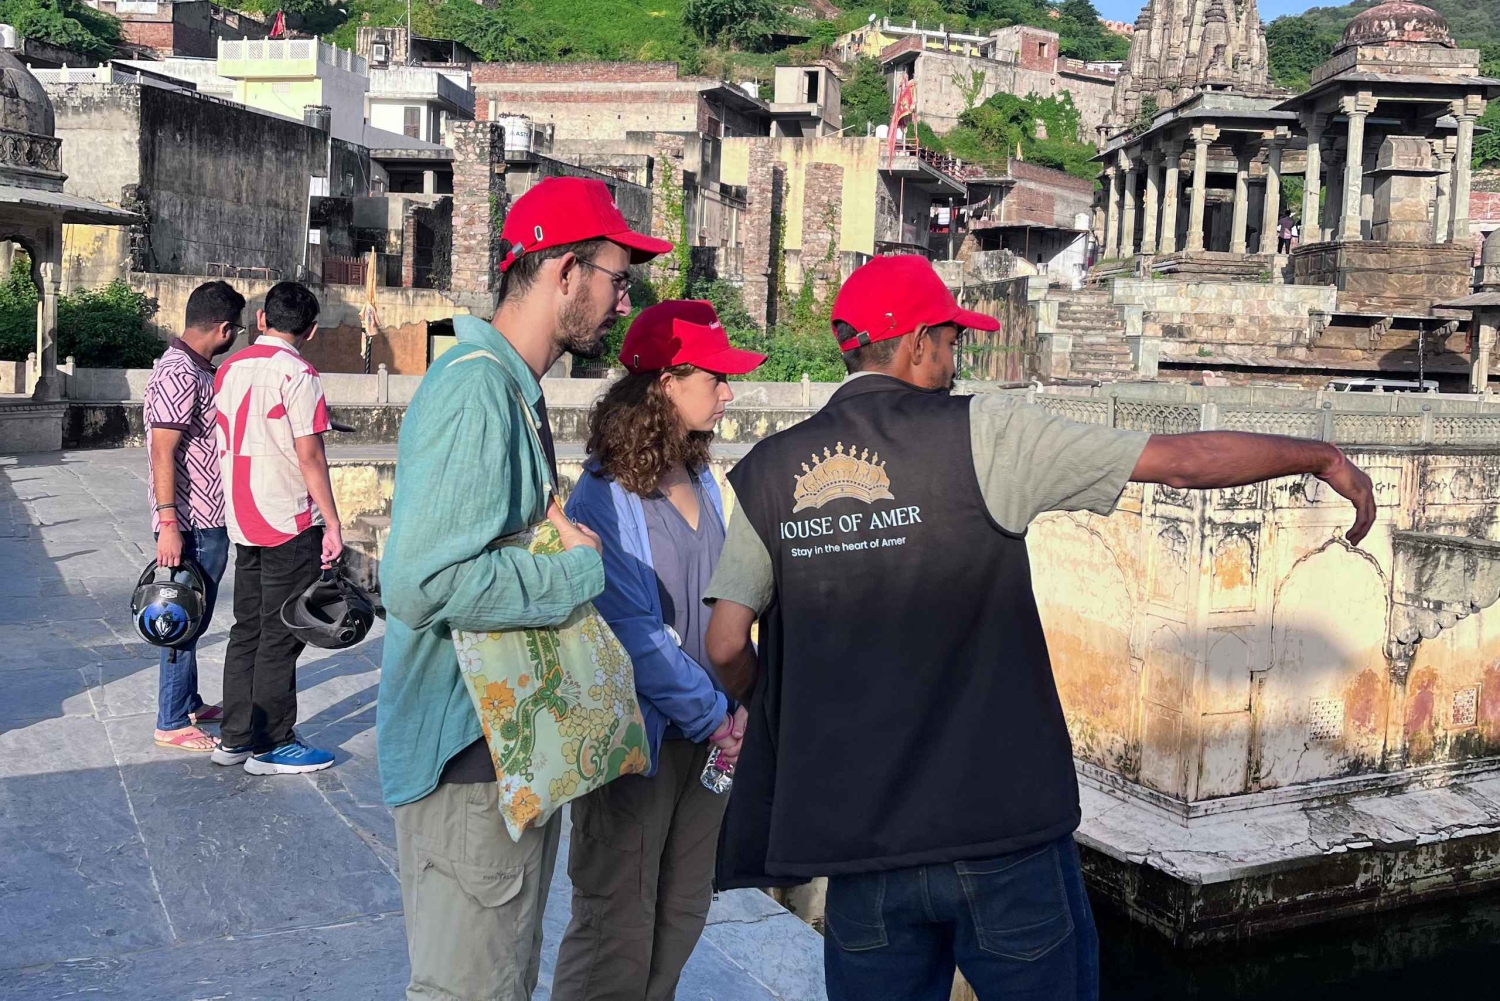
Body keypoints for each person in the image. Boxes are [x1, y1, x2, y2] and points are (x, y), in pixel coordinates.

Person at [703, 255, 1376, 1001]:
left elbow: (726, 643)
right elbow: (1182, 463)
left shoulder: (769, 472)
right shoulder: (986, 433)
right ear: (917, 342)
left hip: (864, 846)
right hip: (1001, 837)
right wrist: (1319, 454)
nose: (956, 362)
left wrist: (776, 701)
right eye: (952, 342)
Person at [376, 175, 672, 1001]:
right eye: (618, 277)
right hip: (467, 760)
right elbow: (422, 579)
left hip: (499, 754)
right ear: (566, 271)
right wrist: (576, 570)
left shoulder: (510, 386)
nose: (621, 300)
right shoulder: (478, 387)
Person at [552, 300, 765, 1001]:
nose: (728, 392)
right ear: (668, 382)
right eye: (716, 376)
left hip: (709, 742)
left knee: (682, 907)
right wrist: (716, 712)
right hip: (637, 744)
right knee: (616, 920)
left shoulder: (702, 476)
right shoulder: (605, 495)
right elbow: (633, 633)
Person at [211, 281, 344, 775]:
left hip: (243, 516)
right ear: (310, 330)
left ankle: (234, 736)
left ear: (262, 319)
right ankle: (272, 742)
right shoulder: (300, 374)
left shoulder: (228, 369)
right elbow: (309, 454)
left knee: (246, 628)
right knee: (282, 632)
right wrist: (331, 522)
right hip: (288, 518)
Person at [144, 280, 246, 752]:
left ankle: (187, 701)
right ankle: (170, 720)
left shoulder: (198, 368)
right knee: (180, 615)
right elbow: (162, 450)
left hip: (207, 517)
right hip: (191, 521)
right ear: (223, 328)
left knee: (196, 614)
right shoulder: (180, 372)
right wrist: (168, 524)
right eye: (236, 330)